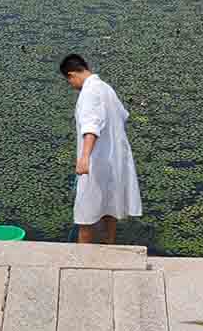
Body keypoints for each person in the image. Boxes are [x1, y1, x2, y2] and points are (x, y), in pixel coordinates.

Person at [60, 54, 142, 244]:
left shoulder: (89, 92)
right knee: (109, 207)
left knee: (85, 216)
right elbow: (123, 115)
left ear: (72, 75)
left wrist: (84, 157)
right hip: (113, 160)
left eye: (69, 81)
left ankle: (83, 258)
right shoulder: (106, 88)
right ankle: (109, 245)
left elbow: (91, 126)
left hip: (95, 163)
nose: (72, 86)